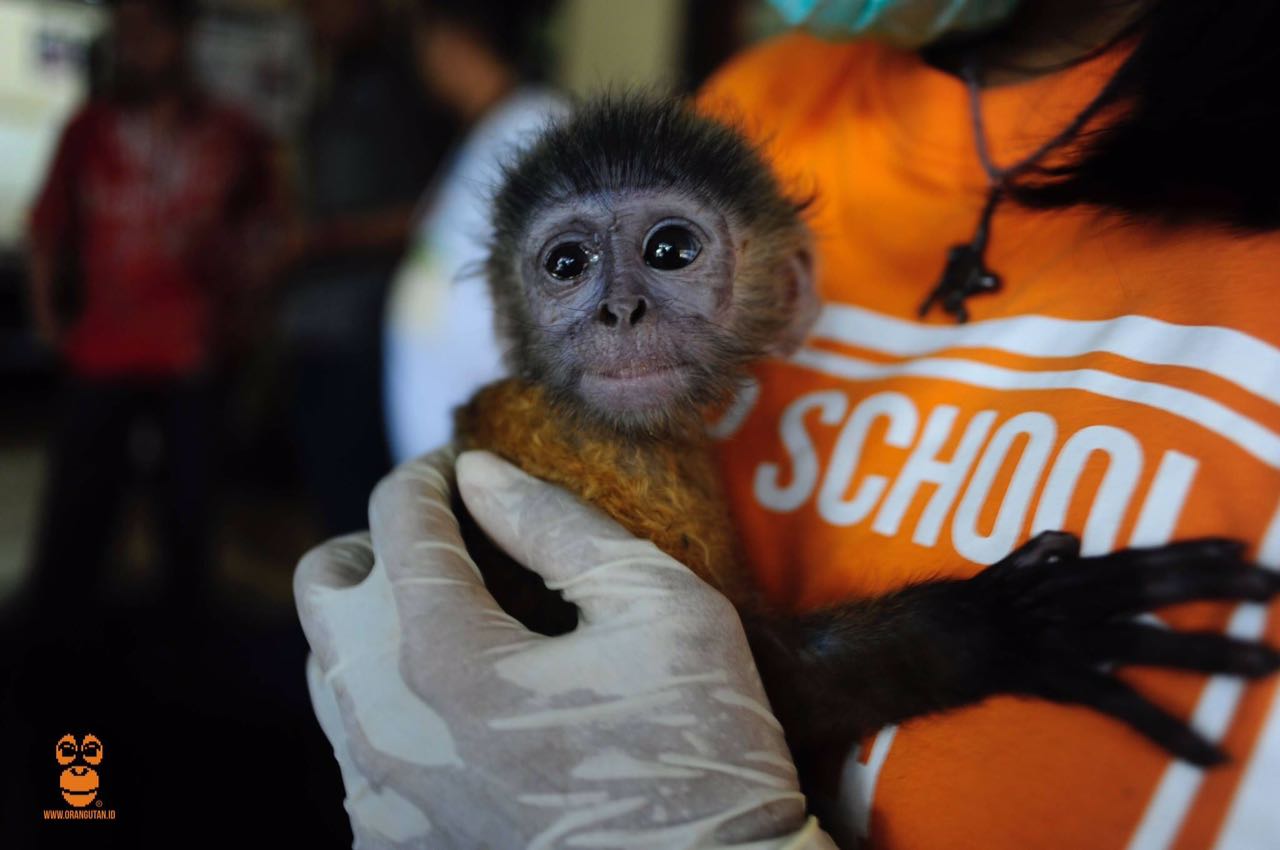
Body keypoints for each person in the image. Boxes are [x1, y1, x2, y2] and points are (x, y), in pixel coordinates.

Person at [297, 1, 1280, 847]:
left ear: (788, 287)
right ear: (508, 321)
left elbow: (719, 681)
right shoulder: (775, 102)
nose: (619, 309)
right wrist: (973, 632)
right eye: (566, 267)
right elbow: (722, 682)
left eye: (669, 250)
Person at [24, 0, 275, 622]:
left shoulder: (231, 132)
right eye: (126, 32)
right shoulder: (89, 129)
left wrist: (249, 312)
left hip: (195, 354)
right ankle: (55, 659)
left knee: (187, 520)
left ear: (182, 35)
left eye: (148, 31)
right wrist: (47, 312)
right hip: (101, 352)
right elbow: (46, 225)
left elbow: (268, 228)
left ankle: (179, 659)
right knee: (77, 519)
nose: (135, 47)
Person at [280, 0, 455, 535]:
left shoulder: (409, 90)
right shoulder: (333, 84)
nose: (312, 17)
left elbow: (432, 212)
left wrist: (318, 240)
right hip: (318, 328)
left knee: (373, 516)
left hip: (370, 333)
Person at [383, 0, 566, 462]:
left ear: (456, 37)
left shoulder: (535, 127)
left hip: (494, 453)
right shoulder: (491, 127)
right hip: (454, 449)